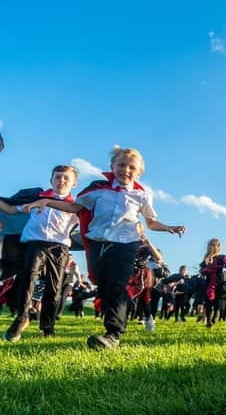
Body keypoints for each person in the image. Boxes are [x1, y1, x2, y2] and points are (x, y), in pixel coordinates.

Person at [23, 147, 185, 350]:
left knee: (117, 285)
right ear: (112, 166)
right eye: (121, 165)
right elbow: (75, 207)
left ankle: (112, 334)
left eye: (131, 167)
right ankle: (119, 310)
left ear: (139, 172)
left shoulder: (142, 195)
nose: (125, 170)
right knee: (104, 286)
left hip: (126, 244)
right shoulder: (97, 189)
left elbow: (150, 222)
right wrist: (48, 202)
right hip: (98, 243)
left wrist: (169, 228)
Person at [1, 165, 79, 341]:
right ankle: (22, 316)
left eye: (66, 178)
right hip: (35, 243)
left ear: (74, 183)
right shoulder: (35, 199)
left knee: (54, 285)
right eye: (57, 177)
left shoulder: (74, 206)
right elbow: (12, 210)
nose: (61, 181)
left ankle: (47, 326)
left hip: (59, 247)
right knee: (28, 276)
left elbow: (89, 220)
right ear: (51, 180)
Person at [199, 238, 226, 327]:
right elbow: (202, 270)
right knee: (208, 302)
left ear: (218, 247)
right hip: (208, 282)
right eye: (211, 245)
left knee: (216, 303)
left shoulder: (222, 257)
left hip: (218, 282)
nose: (212, 247)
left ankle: (213, 319)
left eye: (214, 245)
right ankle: (208, 321)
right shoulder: (206, 257)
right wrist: (207, 266)